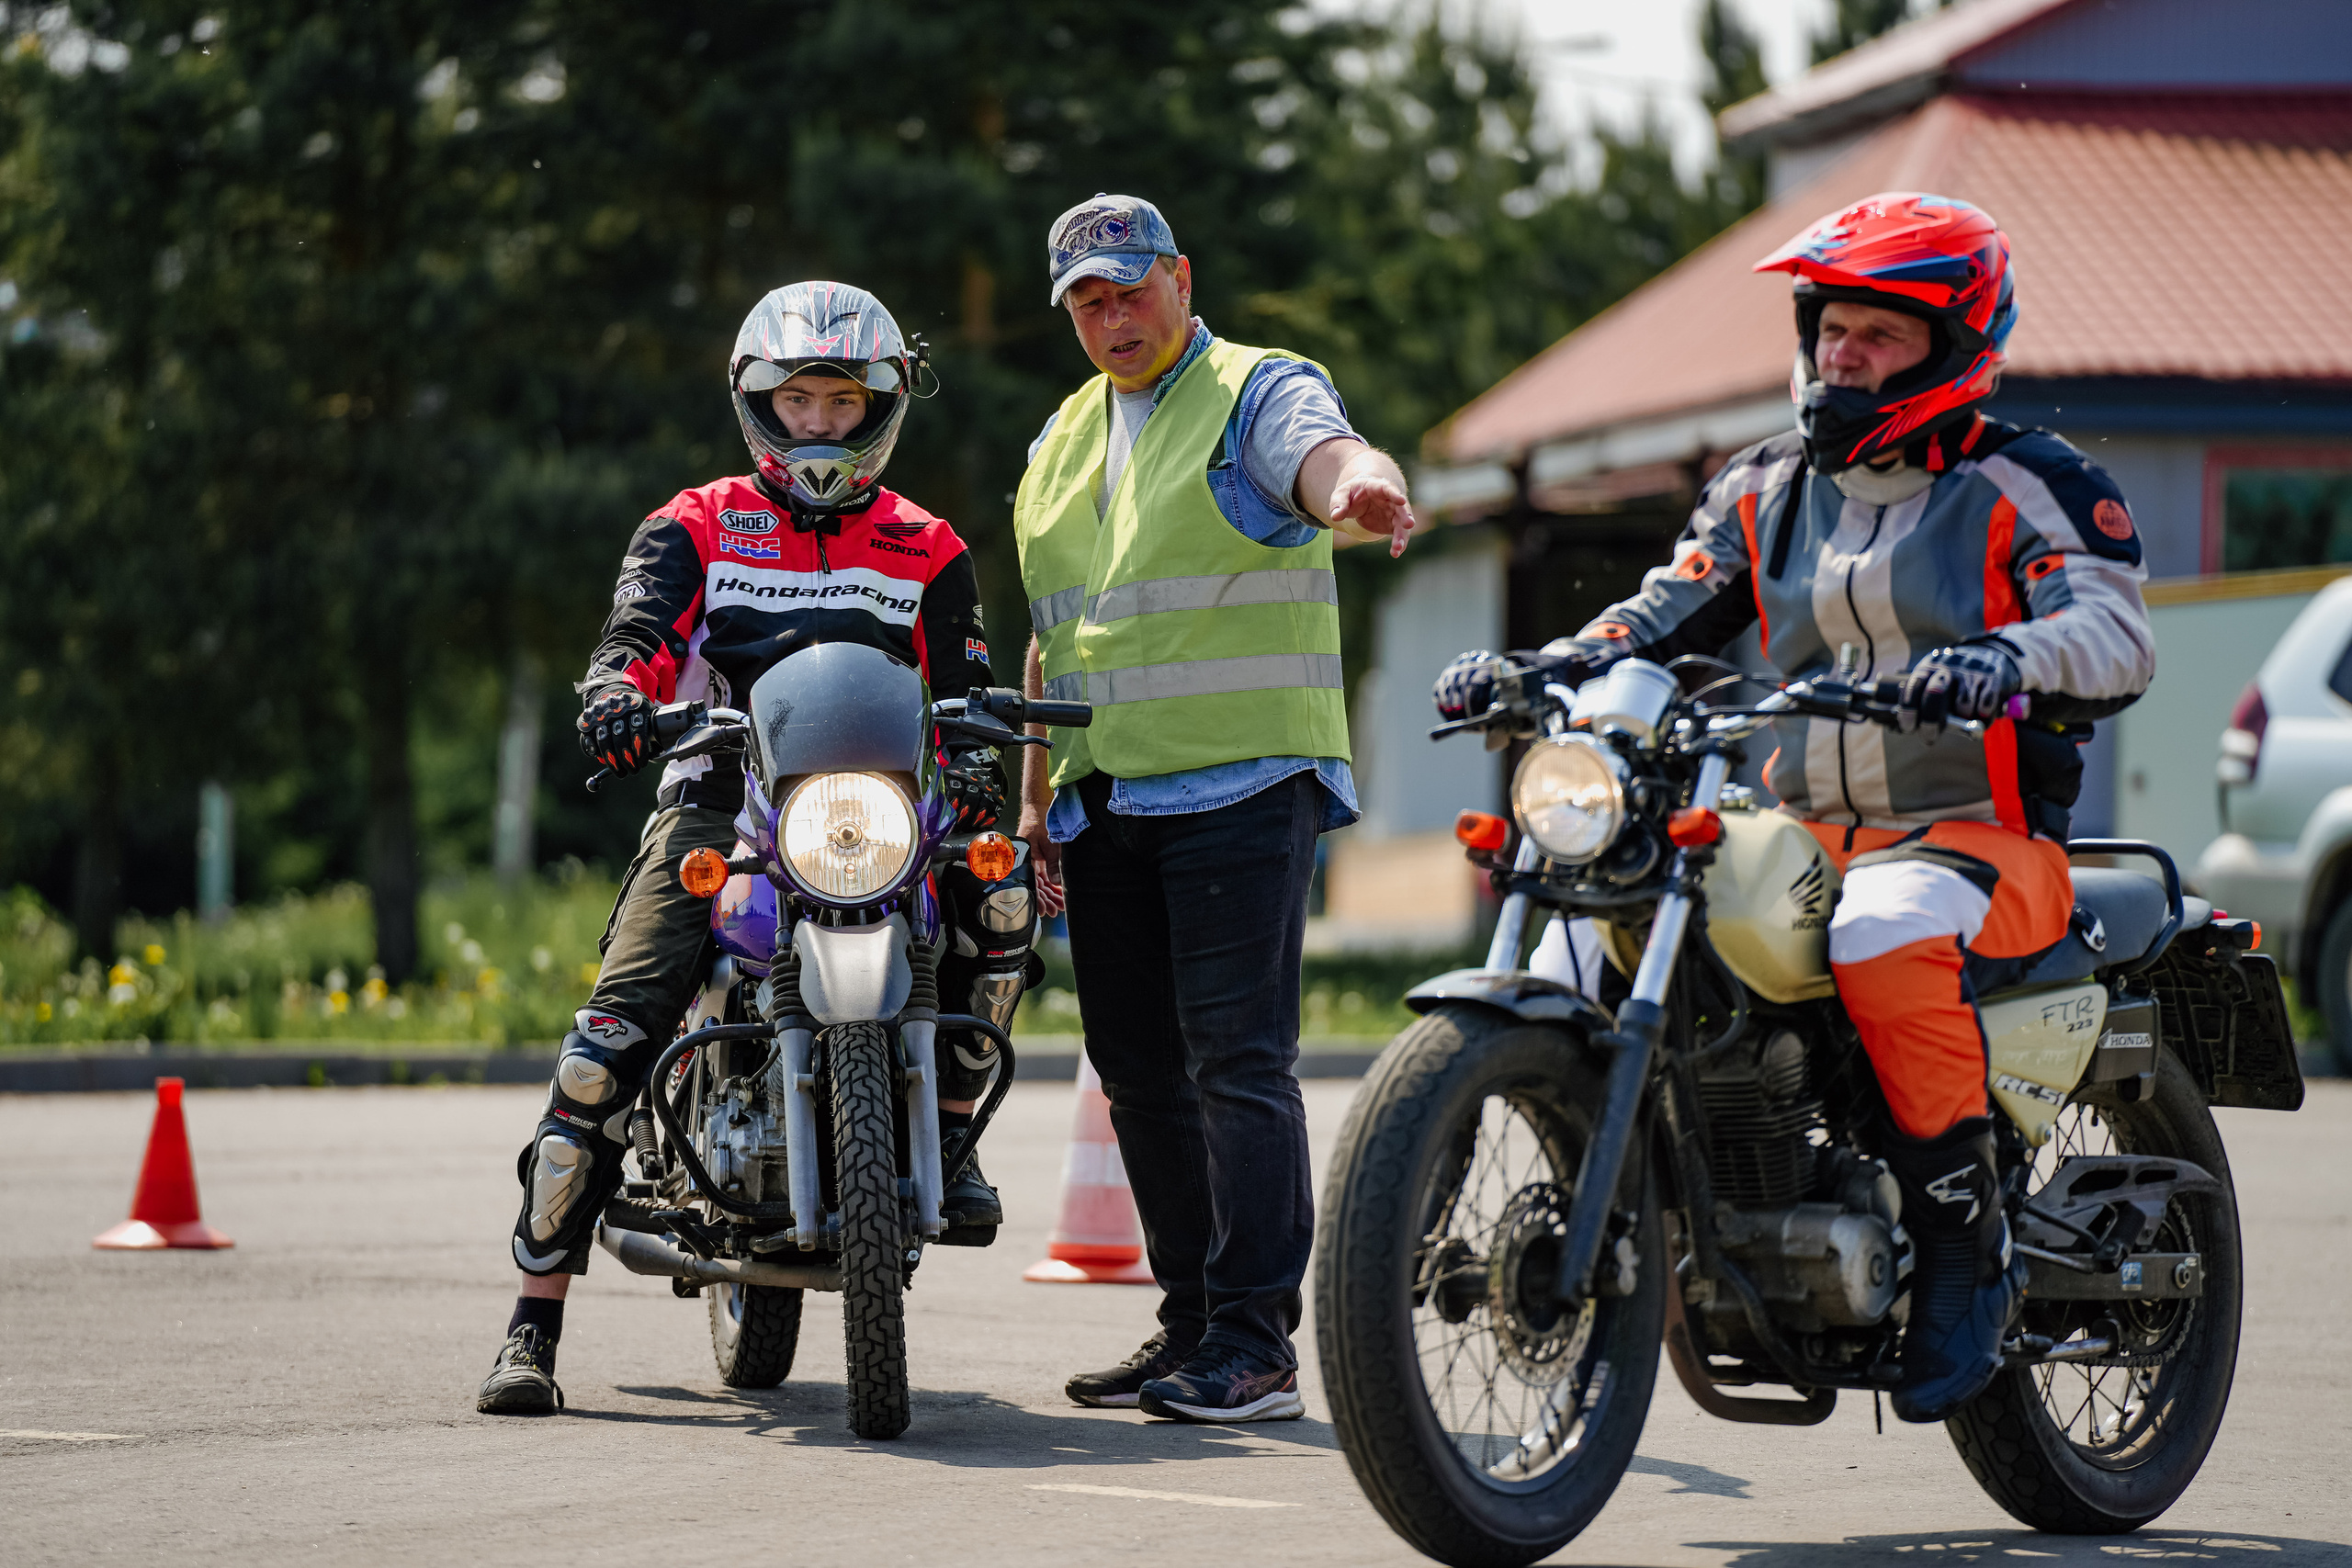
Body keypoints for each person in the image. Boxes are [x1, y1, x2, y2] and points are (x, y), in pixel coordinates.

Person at [1434, 193, 2155, 1423]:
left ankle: (1961, 1240)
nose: (1842, 357)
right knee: (1585, 914)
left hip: (1976, 838)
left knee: (1880, 924)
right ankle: (1524, 1194)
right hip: (1798, 828)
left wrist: (2008, 657)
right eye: (1831, 328)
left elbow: (2112, 627)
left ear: (1954, 344)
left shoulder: (2029, 482)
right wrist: (1555, 663)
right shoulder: (1764, 487)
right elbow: (1663, 612)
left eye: (1879, 335)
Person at [477, 281, 1006, 1416]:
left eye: (842, 401)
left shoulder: (929, 544)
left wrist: (978, 746)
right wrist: (618, 693)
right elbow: (633, 640)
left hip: (880, 813)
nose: (819, 422)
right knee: (608, 1039)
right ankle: (533, 1323)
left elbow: (966, 682)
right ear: (759, 402)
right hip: (724, 803)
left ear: (882, 407)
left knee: (1000, 907)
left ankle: (950, 1148)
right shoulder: (692, 523)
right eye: (797, 399)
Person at [1012, 194, 1418, 1423]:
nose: (1113, 317)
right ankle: (1191, 1322)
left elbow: (1329, 452)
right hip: (1105, 795)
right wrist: (1037, 803)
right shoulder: (1063, 435)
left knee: (1236, 1059)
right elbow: (1055, 631)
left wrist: (1365, 489)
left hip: (1243, 779)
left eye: (1131, 289)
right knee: (1137, 1066)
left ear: (1180, 277)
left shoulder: (1255, 387)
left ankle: (1255, 1340)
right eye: (1087, 301)